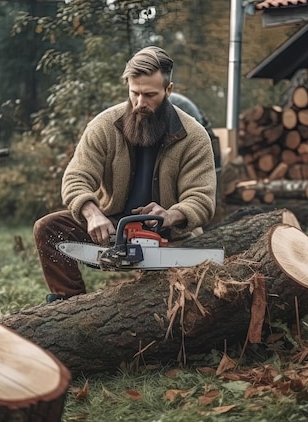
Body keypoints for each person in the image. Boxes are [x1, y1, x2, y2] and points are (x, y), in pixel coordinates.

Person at [33, 46, 217, 303]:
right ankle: (68, 308)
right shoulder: (104, 125)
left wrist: (171, 214)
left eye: (150, 95)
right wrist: (92, 213)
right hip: (111, 229)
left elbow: (202, 199)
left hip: (168, 234)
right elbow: (76, 177)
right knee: (49, 228)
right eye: (135, 93)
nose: (140, 103)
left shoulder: (194, 136)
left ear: (169, 90)